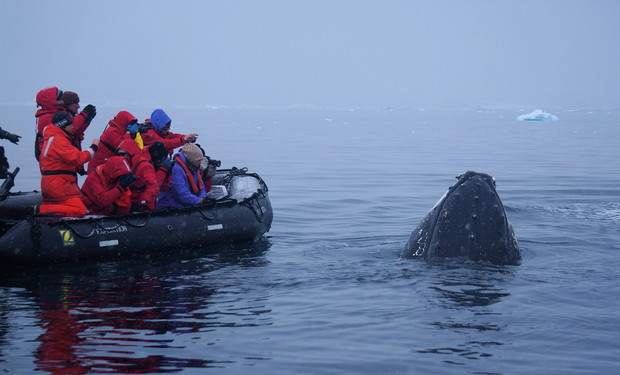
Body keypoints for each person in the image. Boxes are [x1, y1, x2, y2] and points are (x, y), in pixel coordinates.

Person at [39, 112, 100, 217]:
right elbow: (78, 158)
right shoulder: (59, 140)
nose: (72, 127)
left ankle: (46, 212)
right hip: (59, 184)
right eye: (70, 124)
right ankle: (42, 211)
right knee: (79, 210)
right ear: (62, 125)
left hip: (51, 182)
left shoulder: (51, 138)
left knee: (74, 204)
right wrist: (93, 148)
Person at [34, 87, 96, 161]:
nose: (63, 102)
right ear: (51, 101)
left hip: (61, 159)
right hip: (55, 161)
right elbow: (70, 130)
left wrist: (86, 120)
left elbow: (74, 131)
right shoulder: (46, 118)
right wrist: (84, 114)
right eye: (60, 99)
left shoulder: (57, 114)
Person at [157, 143, 207, 209]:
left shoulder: (194, 168)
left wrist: (203, 198)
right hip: (171, 207)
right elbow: (181, 195)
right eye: (198, 161)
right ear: (191, 159)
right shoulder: (175, 170)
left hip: (187, 206)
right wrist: (199, 201)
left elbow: (201, 187)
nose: (200, 163)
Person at [116, 139, 159, 211]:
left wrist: (144, 201)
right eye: (119, 155)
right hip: (130, 205)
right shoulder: (124, 166)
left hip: (144, 208)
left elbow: (153, 186)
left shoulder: (144, 166)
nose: (121, 157)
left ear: (131, 153)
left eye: (123, 154)